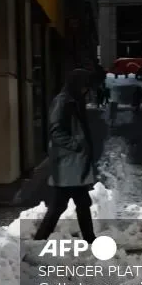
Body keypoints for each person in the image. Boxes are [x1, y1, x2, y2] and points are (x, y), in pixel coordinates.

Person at [33, 68, 98, 243]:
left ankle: (90, 239)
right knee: (59, 206)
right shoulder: (63, 101)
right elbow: (56, 131)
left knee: (81, 203)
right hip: (67, 164)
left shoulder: (74, 100)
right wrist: (76, 145)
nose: (86, 90)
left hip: (73, 164)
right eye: (84, 85)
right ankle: (39, 241)